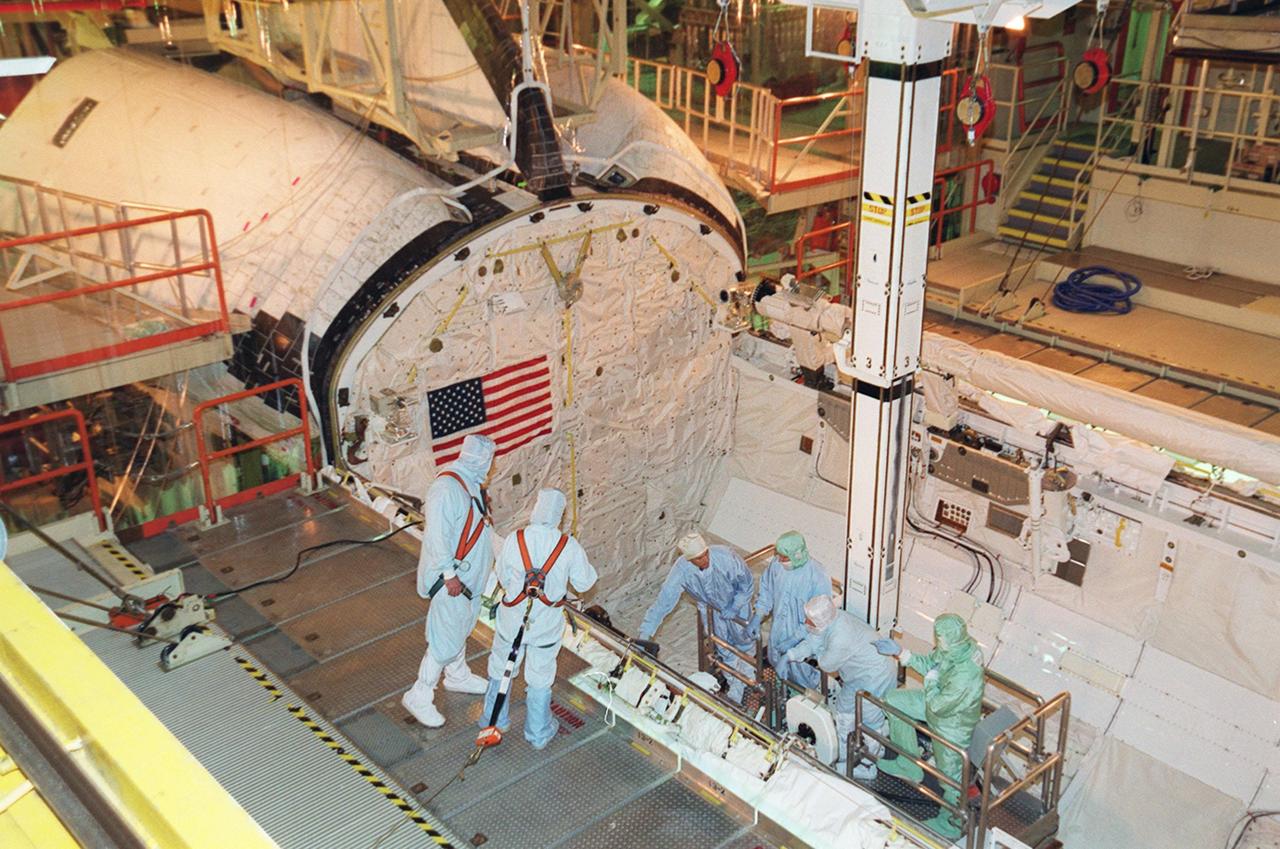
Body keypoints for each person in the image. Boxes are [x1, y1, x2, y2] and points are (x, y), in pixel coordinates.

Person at [482, 488, 597, 750]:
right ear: (560, 515)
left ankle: (493, 720)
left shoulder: (516, 538)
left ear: (536, 509)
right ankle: (538, 733)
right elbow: (585, 582)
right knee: (540, 677)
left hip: (512, 620)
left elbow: (502, 574)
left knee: (501, 668)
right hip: (545, 626)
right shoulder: (568, 547)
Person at [403, 435, 497, 727]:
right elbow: (436, 536)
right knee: (444, 638)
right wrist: (449, 574)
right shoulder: (446, 489)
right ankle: (420, 693)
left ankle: (457, 675)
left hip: (467, 580)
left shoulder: (468, 485)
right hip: (452, 582)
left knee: (458, 628)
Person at [877, 613, 985, 839]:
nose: (938, 641)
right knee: (894, 700)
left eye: (940, 638)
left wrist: (931, 680)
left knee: (950, 776)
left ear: (951, 639)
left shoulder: (966, 672)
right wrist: (901, 652)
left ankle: (951, 824)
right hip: (936, 700)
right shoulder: (952, 648)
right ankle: (908, 763)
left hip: (952, 723)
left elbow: (937, 706)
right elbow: (931, 664)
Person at [784, 595, 896, 778]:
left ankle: (869, 765)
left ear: (819, 621)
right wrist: (791, 654)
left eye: (808, 620)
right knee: (844, 712)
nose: (805, 622)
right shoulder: (833, 619)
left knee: (870, 721)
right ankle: (843, 754)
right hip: (857, 676)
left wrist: (814, 652)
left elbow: (827, 665)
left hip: (876, 675)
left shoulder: (840, 637)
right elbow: (814, 641)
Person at [637, 531, 755, 702]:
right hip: (711, 610)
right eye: (699, 558)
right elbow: (664, 602)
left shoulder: (726, 557)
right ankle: (736, 685)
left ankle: (750, 675)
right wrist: (645, 633)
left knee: (745, 642)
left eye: (706, 554)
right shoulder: (681, 571)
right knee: (723, 648)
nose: (705, 559)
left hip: (737, 606)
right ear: (688, 559)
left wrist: (735, 605)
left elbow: (747, 583)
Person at [750, 531, 831, 688]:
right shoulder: (776, 565)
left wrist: (794, 639)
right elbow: (766, 590)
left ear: (798, 554)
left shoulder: (817, 575)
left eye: (784, 557)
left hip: (804, 637)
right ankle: (784, 691)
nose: (780, 560)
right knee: (778, 664)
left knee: (803, 675)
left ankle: (803, 699)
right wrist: (758, 615)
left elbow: (818, 617)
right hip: (778, 630)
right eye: (779, 555)